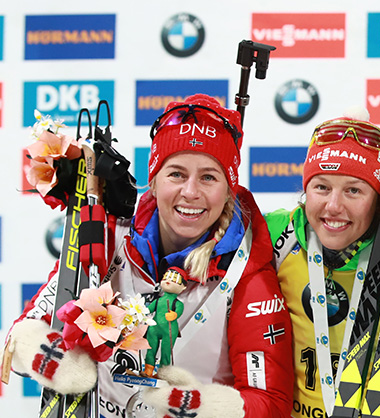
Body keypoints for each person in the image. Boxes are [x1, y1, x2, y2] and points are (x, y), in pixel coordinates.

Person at [6, 94, 294, 418]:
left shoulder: (246, 272)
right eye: (176, 174)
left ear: (229, 189)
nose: (190, 192)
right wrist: (51, 359)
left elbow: (271, 402)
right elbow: (23, 333)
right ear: (154, 182)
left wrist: (198, 406)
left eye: (209, 177)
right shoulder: (110, 238)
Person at [265, 109, 380, 418]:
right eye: (321, 187)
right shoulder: (273, 234)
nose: (334, 207)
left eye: (353, 190)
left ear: (378, 199)